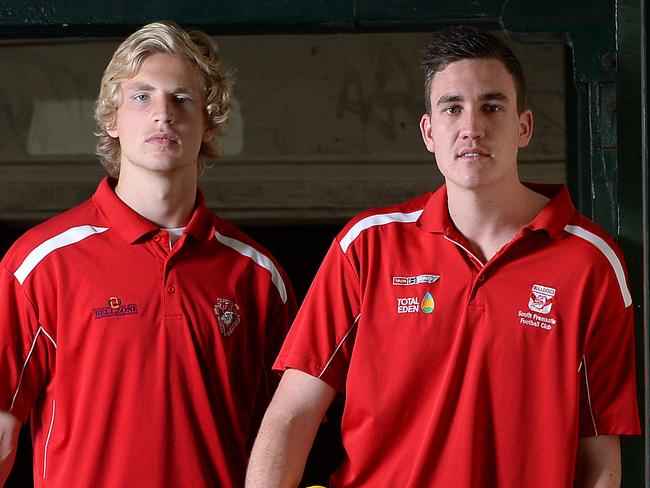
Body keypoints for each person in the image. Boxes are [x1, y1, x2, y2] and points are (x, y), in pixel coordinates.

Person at [246, 26, 640, 487]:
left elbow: (600, 455)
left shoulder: (590, 262)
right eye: (453, 108)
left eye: (492, 106)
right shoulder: (368, 247)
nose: (472, 126)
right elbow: (292, 414)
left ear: (524, 127)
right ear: (429, 131)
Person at [0, 21, 295, 487]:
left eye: (182, 98)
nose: (163, 114)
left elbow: (287, 438)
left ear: (211, 121)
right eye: (141, 96)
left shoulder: (257, 275)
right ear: (111, 120)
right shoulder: (40, 263)